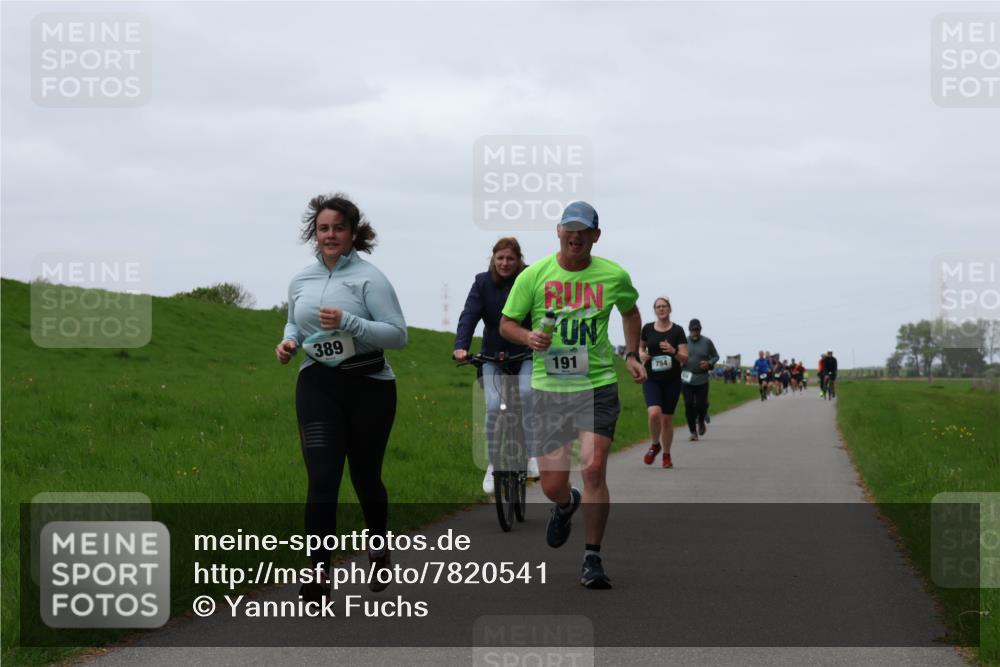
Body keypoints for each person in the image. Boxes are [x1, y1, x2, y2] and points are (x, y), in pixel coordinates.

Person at [499, 201, 645, 590]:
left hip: (596, 384)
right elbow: (506, 323)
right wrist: (528, 336)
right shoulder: (535, 275)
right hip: (549, 389)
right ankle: (565, 505)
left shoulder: (613, 275)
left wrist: (631, 353)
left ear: (596, 236)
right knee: (551, 483)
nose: (575, 236)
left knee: (594, 468)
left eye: (583, 231)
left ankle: (592, 558)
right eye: (569, 229)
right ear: (558, 232)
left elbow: (631, 313)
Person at [276, 193, 407, 602]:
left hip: (369, 385)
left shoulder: (371, 278)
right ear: (314, 234)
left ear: (353, 233)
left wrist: (349, 320)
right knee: (322, 478)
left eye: (338, 228)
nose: (330, 235)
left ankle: (379, 545)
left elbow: (397, 335)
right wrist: (289, 341)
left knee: (365, 477)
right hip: (318, 385)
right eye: (323, 229)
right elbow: (293, 322)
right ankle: (318, 571)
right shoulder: (301, 280)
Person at [453, 238, 538, 493]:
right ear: (493, 259)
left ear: (519, 260)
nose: (504, 263)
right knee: (492, 405)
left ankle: (532, 457)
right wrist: (461, 346)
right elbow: (469, 315)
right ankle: (492, 466)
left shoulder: (530, 278)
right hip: (492, 355)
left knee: (526, 393)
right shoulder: (482, 282)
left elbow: (542, 312)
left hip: (526, 353)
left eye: (510, 258)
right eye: (500, 258)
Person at [638, 297, 688, 467]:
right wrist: (641, 354)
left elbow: (685, 358)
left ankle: (666, 455)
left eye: (664, 306)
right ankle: (654, 444)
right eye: (658, 307)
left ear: (670, 309)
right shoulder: (647, 329)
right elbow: (640, 347)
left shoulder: (678, 331)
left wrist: (673, 351)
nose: (661, 309)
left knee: (666, 420)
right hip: (652, 378)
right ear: (654, 310)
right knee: (653, 414)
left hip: (672, 380)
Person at [681, 319, 719, 441]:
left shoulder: (707, 342)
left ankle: (701, 420)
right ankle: (693, 431)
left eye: (697, 329)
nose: (695, 332)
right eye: (693, 329)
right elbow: (677, 355)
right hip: (686, 377)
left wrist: (709, 363)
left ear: (700, 329)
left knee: (701, 405)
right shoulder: (684, 342)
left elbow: (715, 356)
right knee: (688, 404)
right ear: (689, 330)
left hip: (702, 377)